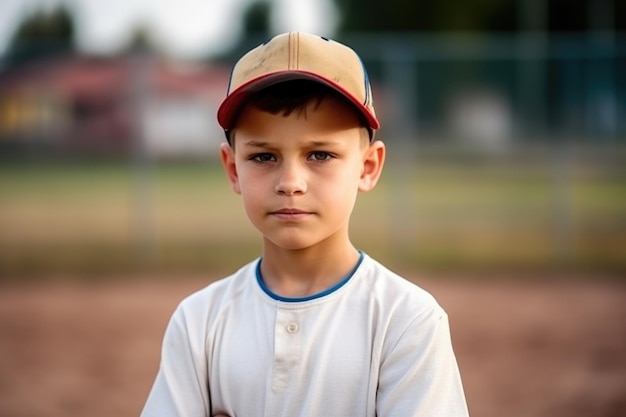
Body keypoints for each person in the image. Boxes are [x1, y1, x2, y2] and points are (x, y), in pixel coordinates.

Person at [141, 31, 469, 417]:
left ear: (368, 167)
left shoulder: (406, 320)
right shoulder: (199, 322)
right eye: (264, 157)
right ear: (233, 169)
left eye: (319, 154)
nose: (290, 183)